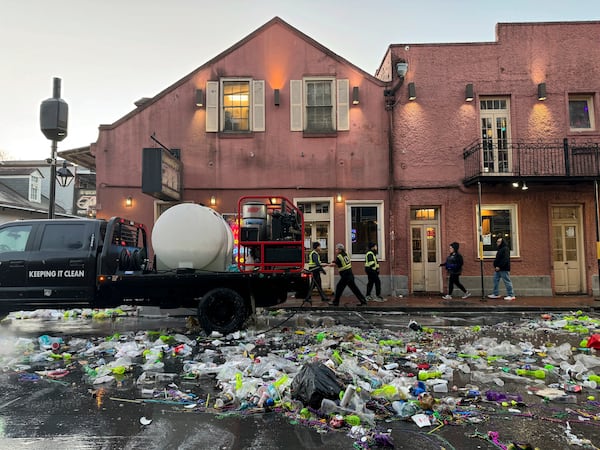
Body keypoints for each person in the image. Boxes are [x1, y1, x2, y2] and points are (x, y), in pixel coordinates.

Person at [488, 237, 516, 301]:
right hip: (498, 268)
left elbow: (505, 259)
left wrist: (499, 266)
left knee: (507, 281)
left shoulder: (505, 249)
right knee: (495, 280)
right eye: (497, 241)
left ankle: (511, 295)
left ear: (502, 242)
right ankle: (496, 293)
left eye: (499, 242)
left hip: (504, 268)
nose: (497, 243)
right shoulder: (500, 249)